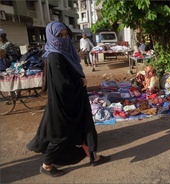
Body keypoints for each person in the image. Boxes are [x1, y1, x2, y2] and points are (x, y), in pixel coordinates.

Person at [27, 21, 110, 178]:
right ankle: (47, 165)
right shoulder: (54, 57)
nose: (63, 39)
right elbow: (62, 85)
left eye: (65, 35)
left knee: (85, 127)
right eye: (59, 36)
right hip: (63, 104)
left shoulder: (65, 52)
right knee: (60, 135)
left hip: (76, 99)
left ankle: (94, 157)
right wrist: (80, 82)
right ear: (51, 37)